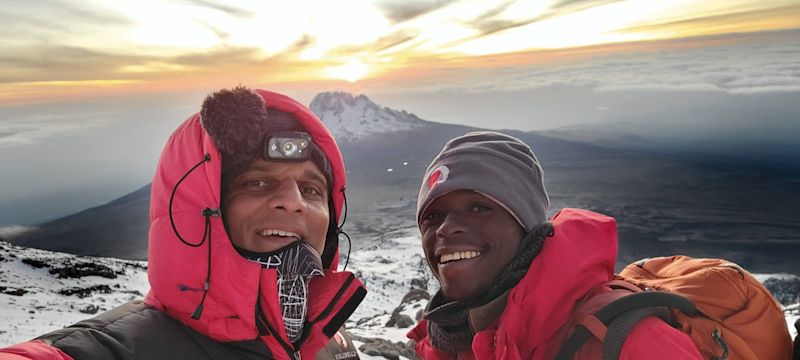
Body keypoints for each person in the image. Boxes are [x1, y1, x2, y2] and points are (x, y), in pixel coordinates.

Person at [0, 86, 366, 360]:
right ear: (200, 208)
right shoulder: (116, 351)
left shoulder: (327, 339)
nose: (293, 201)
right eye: (256, 182)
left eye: (311, 188)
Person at [407, 131, 702, 359]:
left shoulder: (627, 341)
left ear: (527, 226)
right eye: (433, 216)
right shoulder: (450, 339)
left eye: (478, 208)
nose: (446, 228)